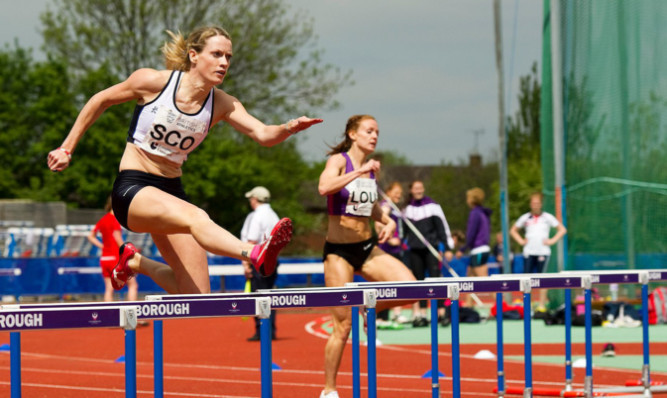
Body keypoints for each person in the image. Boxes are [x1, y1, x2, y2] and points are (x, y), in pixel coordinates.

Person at [47, 26, 322, 294]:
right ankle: (254, 252)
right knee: (197, 216)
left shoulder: (223, 103)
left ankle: (135, 262)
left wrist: (288, 127)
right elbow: (100, 100)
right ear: (193, 55)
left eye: (228, 57)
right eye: (216, 54)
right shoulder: (155, 82)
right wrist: (67, 148)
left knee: (195, 295)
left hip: (172, 192)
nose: (224, 62)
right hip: (133, 190)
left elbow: (262, 134)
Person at [318, 114, 416, 398]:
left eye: (377, 132)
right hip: (339, 252)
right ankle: (329, 390)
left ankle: (367, 308)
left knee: (410, 287)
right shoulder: (339, 162)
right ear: (352, 133)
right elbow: (325, 188)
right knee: (342, 326)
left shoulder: (371, 169)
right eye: (369, 131)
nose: (374, 136)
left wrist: (386, 219)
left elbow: (367, 205)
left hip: (366, 247)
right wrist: (358, 173)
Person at [403, 180, 454, 327]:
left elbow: (442, 227)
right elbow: (403, 232)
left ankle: (441, 313)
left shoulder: (434, 206)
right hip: (414, 250)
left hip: (431, 248)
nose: (419, 190)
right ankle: (422, 314)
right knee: (418, 281)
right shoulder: (406, 209)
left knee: (435, 279)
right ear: (411, 190)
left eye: (421, 188)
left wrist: (448, 247)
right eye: (416, 188)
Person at [510, 192, 567, 310]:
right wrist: (521, 241)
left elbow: (562, 230)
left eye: (538, 203)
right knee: (526, 279)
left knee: (543, 279)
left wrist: (552, 241)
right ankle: (528, 305)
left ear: (541, 204)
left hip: (543, 252)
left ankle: (541, 305)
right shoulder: (525, 217)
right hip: (529, 252)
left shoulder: (547, 217)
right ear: (530, 204)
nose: (535, 205)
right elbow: (513, 230)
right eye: (533, 203)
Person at [241, 186, 280, 341]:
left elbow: (251, 242)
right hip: (273, 259)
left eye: (251, 198)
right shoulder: (273, 215)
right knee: (269, 295)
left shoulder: (257, 216)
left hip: (258, 261)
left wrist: (246, 265)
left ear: (255, 199)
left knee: (258, 296)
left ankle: (262, 330)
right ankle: (270, 330)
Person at [87, 196, 138, 302]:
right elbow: (117, 238)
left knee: (109, 289)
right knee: (133, 285)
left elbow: (90, 236)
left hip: (105, 258)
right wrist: (130, 251)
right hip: (115, 258)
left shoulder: (103, 220)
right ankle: (131, 314)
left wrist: (102, 246)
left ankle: (108, 316)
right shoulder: (115, 220)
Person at [374, 181, 409, 327]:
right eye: (396, 192)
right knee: (386, 283)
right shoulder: (385, 206)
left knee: (397, 282)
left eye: (400, 194)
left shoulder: (395, 207)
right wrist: (388, 238)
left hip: (397, 250)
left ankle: (396, 313)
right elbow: (378, 224)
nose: (398, 196)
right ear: (388, 191)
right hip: (387, 249)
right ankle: (380, 316)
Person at [456, 187, 492, 308]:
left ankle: (501, 305)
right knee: (470, 277)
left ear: (472, 200)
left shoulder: (475, 213)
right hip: (482, 249)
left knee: (485, 280)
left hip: (478, 250)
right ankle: (469, 303)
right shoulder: (483, 213)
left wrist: (462, 249)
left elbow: (471, 234)